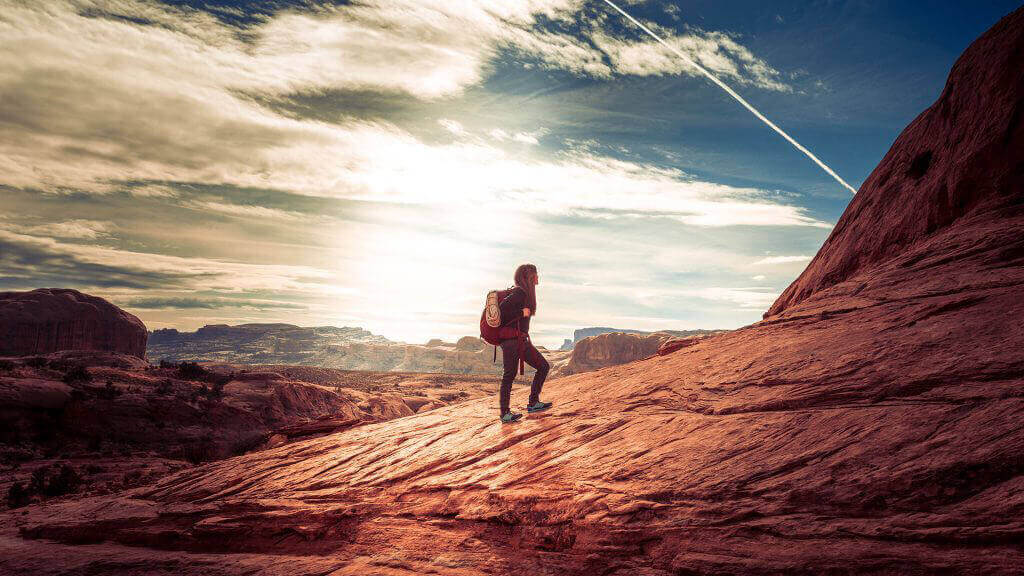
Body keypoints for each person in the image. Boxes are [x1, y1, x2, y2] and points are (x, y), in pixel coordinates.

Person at [496, 263, 551, 423]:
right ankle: (505, 414)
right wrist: (521, 312)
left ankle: (533, 402)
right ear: (529, 277)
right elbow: (501, 311)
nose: (538, 277)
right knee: (509, 374)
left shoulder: (524, 293)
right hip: (511, 341)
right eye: (535, 274)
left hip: (520, 340)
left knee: (543, 366)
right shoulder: (520, 292)